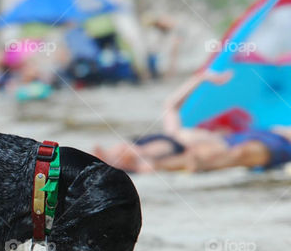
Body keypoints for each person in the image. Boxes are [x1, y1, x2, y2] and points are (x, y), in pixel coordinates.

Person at [95, 69, 291, 173]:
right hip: (236, 146)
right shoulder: (155, 163)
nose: (120, 147)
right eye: (116, 155)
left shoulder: (171, 137)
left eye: (117, 148)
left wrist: (202, 78)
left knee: (281, 131)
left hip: (238, 138)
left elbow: (170, 105)